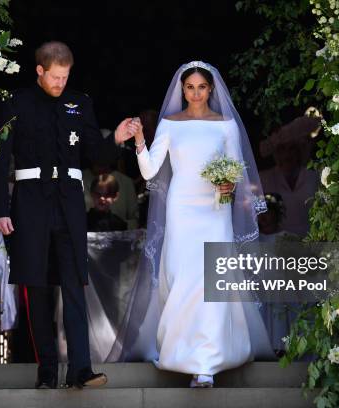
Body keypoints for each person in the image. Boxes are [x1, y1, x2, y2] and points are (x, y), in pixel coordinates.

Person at [0, 41, 137, 389]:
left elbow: (95, 152)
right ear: (40, 71)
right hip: (30, 204)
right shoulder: (16, 103)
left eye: (65, 77)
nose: (59, 83)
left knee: (74, 286)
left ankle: (81, 369)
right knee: (36, 288)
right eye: (54, 77)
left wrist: (115, 137)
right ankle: (47, 371)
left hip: (69, 206)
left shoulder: (79, 103)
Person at [117, 61, 274, 388]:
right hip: (181, 209)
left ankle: (206, 364)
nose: (196, 93)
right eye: (190, 87)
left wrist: (226, 191)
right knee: (183, 277)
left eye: (202, 87)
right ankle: (182, 353)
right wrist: (140, 140)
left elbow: (236, 174)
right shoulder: (170, 124)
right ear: (182, 90)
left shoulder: (226, 125)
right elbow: (149, 172)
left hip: (215, 212)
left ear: (211, 89)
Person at [259, 116, 321, 237]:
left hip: (313, 244)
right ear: (275, 152)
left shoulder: (314, 176)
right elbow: (258, 214)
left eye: (291, 149)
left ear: (299, 151)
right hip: (276, 246)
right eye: (281, 149)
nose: (286, 155)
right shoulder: (264, 179)